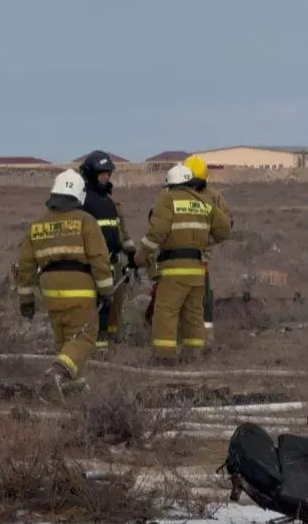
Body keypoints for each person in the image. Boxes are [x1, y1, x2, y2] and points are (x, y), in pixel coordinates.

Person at [16, 169, 114, 398]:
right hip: (78, 285)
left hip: (49, 289)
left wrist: (26, 300)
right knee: (85, 338)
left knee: (64, 340)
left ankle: (72, 388)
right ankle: (58, 372)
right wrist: (106, 290)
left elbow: (26, 266)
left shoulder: (36, 225)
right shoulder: (85, 221)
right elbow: (99, 258)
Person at [134, 164, 231, 364]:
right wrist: (202, 241)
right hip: (198, 270)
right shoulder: (204, 201)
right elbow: (224, 230)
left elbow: (156, 233)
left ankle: (164, 356)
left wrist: (140, 257)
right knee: (194, 313)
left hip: (174, 269)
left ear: (170, 184)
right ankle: (193, 356)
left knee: (166, 311)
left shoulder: (167, 199)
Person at [77, 151, 138, 349]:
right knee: (96, 311)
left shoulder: (110, 202)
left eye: (108, 173)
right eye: (101, 173)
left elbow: (120, 232)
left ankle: (111, 345)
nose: (105, 177)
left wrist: (131, 257)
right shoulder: (83, 201)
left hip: (113, 265)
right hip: (91, 268)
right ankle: (95, 349)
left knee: (113, 309)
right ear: (90, 174)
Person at [183, 155, 232, 339]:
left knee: (203, 294)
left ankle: (205, 334)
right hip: (176, 254)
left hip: (200, 256)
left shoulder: (213, 197)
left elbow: (226, 224)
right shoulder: (172, 195)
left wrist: (205, 240)